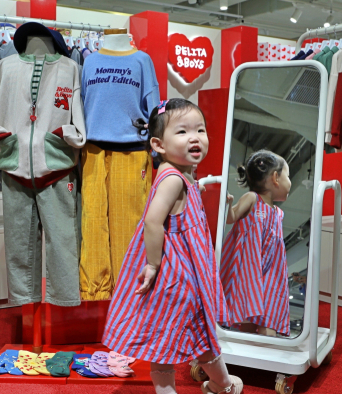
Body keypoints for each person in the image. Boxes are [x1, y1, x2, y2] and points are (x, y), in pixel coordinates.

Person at [102, 98, 243, 394]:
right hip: (179, 277)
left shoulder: (181, 176)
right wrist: (152, 264)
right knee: (201, 334)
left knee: (163, 343)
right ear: (158, 144)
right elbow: (153, 222)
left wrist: (199, 188)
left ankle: (192, 388)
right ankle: (224, 385)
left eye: (200, 130)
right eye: (182, 132)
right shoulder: (173, 180)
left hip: (177, 278)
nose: (194, 137)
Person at [221, 150, 291, 337]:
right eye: (288, 176)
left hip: (271, 275)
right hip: (250, 271)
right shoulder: (252, 199)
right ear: (276, 177)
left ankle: (266, 357)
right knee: (249, 320)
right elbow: (231, 217)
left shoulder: (278, 213)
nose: (290, 182)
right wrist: (227, 203)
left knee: (269, 318)